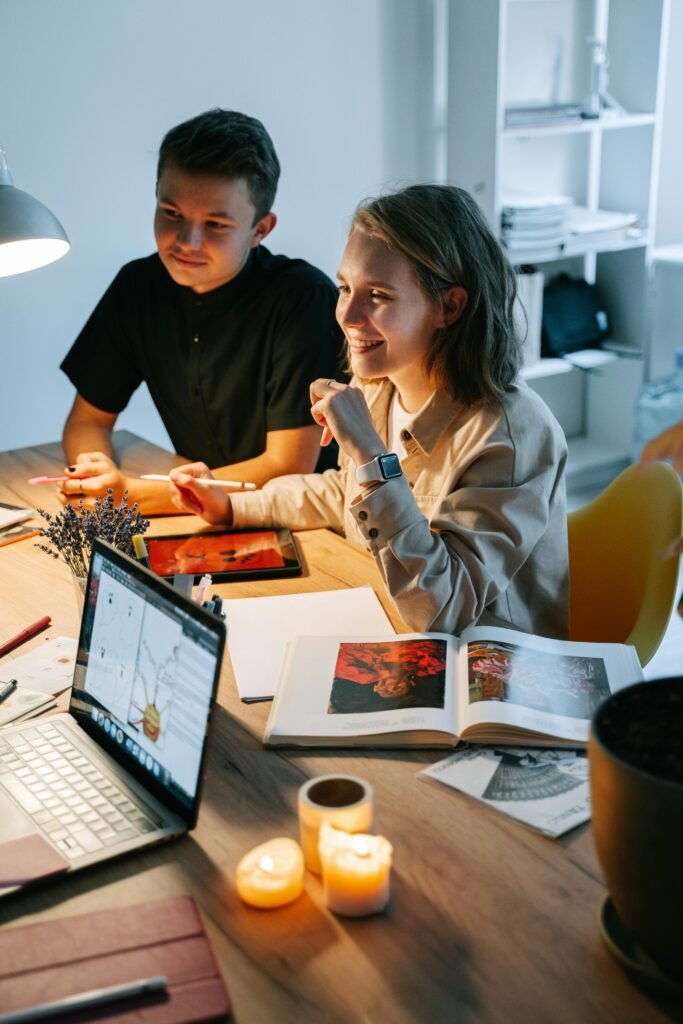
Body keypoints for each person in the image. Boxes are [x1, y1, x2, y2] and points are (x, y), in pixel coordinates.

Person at [168, 184, 569, 638]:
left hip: (488, 672)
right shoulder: (378, 386)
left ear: (449, 306)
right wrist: (233, 506)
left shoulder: (512, 434)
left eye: (378, 294)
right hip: (389, 623)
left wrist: (370, 456)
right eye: (345, 287)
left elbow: (444, 608)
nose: (348, 315)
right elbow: (343, 494)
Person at [59, 109, 343, 514]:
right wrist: (94, 468)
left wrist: (128, 496)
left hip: (305, 521)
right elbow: (87, 422)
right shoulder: (138, 286)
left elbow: (287, 468)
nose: (187, 241)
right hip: (200, 520)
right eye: (171, 214)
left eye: (216, 224)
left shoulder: (303, 298)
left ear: (261, 229)